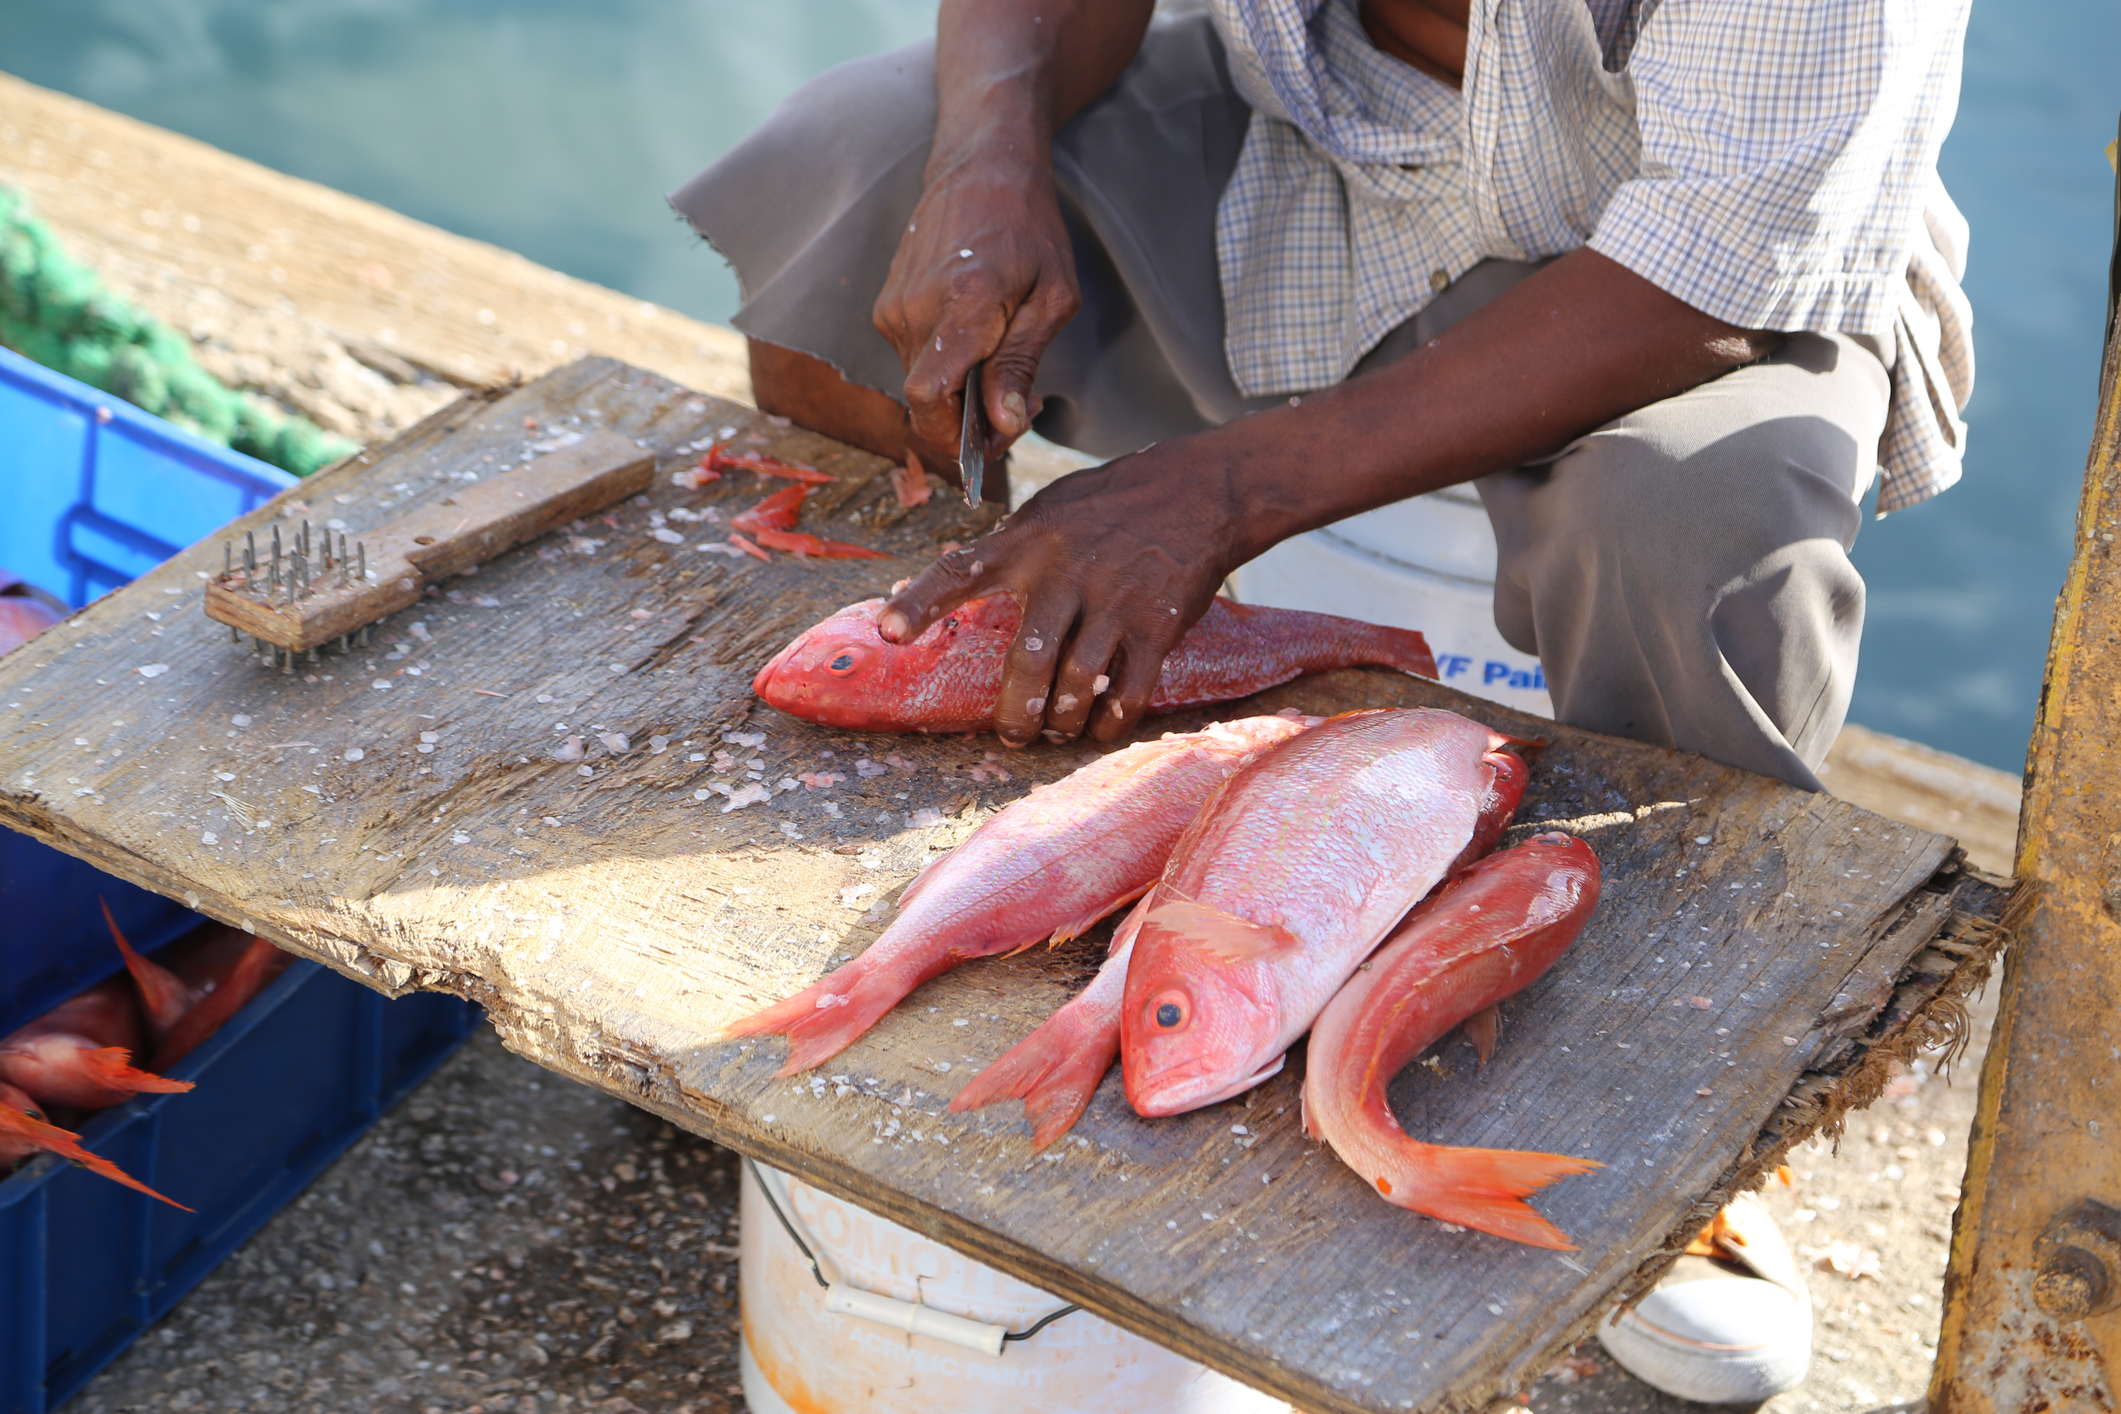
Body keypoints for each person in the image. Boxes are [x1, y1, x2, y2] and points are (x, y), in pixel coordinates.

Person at [676, 1, 1970, 1393]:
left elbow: (1723, 255)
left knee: (1680, 528)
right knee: (858, 162)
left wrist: (1227, 488)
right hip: (1308, 144)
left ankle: (1675, 1096)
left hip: (1668, 262)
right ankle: (898, 887)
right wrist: (984, 164)